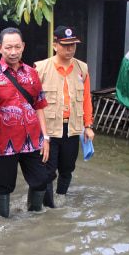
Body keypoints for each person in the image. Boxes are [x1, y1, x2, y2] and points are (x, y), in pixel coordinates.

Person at [0, 27, 50, 218]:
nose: (13, 52)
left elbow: (39, 106)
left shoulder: (32, 73)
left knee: (40, 180)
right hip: (3, 142)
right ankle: (4, 222)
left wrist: (45, 138)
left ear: (23, 47)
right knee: (4, 185)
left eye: (17, 47)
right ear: (0, 48)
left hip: (32, 139)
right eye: (8, 47)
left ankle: (34, 219)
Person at [34, 26, 94, 207]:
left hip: (73, 128)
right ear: (55, 45)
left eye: (73, 45)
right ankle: (48, 206)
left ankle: (62, 198)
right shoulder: (40, 68)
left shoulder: (82, 68)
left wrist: (88, 125)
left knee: (67, 169)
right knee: (48, 170)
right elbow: (32, 102)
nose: (70, 49)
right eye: (65, 45)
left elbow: (86, 98)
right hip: (49, 129)